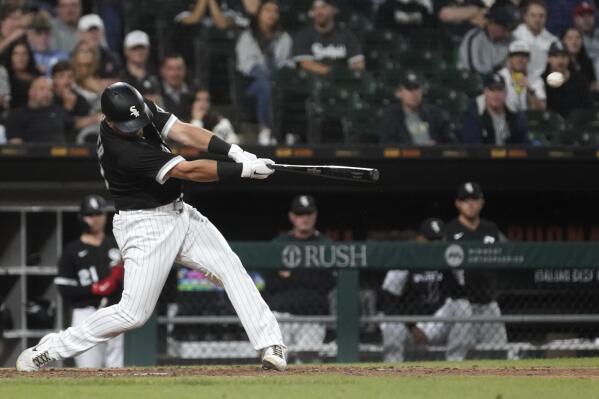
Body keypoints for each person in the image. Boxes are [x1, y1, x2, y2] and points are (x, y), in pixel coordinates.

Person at [16, 81, 287, 372]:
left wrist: (234, 151)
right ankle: (50, 348)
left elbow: (182, 130)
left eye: (139, 120)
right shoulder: (122, 151)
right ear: (108, 119)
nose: (138, 128)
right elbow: (188, 170)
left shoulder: (136, 108)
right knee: (133, 314)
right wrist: (244, 170)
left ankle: (271, 344)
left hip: (180, 213)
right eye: (130, 125)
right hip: (146, 225)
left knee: (231, 269)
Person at [379, 218, 466, 362]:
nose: (436, 244)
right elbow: (388, 299)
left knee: (463, 306)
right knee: (390, 323)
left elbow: (461, 293)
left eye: (439, 240)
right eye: (431, 240)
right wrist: (412, 327)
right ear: (419, 239)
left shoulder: (450, 260)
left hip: (437, 323)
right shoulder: (405, 257)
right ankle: (392, 368)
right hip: (409, 326)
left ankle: (455, 364)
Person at [54, 194, 124, 368]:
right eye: (89, 215)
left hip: (113, 312)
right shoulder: (72, 250)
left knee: (116, 369)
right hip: (85, 314)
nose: (94, 219)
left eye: (98, 214)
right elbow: (64, 288)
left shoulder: (115, 246)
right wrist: (95, 289)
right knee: (88, 369)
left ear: (105, 216)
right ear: (81, 217)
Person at [441, 182, 508, 360]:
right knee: (458, 356)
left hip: (488, 302)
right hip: (461, 304)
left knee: (498, 354)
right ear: (458, 203)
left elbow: (510, 257)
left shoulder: (491, 230)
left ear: (481, 202)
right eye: (465, 199)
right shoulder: (449, 231)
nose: (470, 203)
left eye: (474, 199)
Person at [265, 195, 334, 362]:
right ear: (292, 216)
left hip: (313, 317)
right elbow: (271, 283)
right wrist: (308, 275)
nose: (304, 218)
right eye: (300, 214)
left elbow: (327, 283)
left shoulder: (326, 245)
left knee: (309, 362)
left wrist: (292, 275)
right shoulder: (278, 244)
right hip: (281, 316)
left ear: (315, 215)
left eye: (308, 213)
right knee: (275, 360)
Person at [235, 0, 292, 146]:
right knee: (265, 85)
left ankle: (289, 131)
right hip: (251, 86)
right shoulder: (247, 36)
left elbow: (286, 63)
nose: (272, 14)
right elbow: (246, 66)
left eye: (275, 11)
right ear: (259, 14)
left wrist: (278, 76)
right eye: (267, 10)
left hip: (278, 82)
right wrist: (269, 76)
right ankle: (266, 128)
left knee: (283, 86)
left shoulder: (284, 38)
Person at [292, 0, 365, 76]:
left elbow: (358, 62)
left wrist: (350, 75)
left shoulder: (346, 34)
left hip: (342, 83)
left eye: (323, 7)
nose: (319, 12)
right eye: (315, 8)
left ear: (334, 10)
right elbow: (306, 64)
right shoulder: (304, 35)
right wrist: (335, 74)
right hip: (313, 81)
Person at [378, 72, 454, 144]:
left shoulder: (436, 114)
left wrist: (435, 146)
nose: (414, 93)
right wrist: (416, 147)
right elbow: (388, 144)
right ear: (399, 93)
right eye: (409, 89)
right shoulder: (390, 116)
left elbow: (449, 142)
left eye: (416, 88)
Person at [460, 72, 528, 144]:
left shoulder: (514, 119)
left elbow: (523, 146)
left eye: (499, 89)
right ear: (485, 92)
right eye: (492, 90)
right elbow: (472, 148)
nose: (496, 94)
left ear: (505, 93)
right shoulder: (474, 118)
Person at [458, 3, 520, 75]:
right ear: (493, 23)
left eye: (512, 29)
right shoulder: (474, 38)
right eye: (506, 28)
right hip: (470, 81)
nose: (508, 33)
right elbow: (474, 69)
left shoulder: (512, 41)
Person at [6, 75, 71, 144]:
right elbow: (16, 147)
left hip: (60, 153)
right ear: (31, 92)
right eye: (42, 89)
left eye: (50, 90)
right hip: (32, 153)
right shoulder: (17, 116)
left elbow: (74, 123)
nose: (47, 93)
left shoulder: (58, 111)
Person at [52, 60, 102, 142]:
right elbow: (58, 125)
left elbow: (85, 123)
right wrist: (68, 107)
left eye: (70, 77)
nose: (66, 81)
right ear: (54, 79)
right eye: (61, 76)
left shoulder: (80, 99)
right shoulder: (49, 98)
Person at [541, 41, 592, 117]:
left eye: (564, 56)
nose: (560, 60)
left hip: (576, 125)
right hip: (550, 126)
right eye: (555, 56)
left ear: (569, 58)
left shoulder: (580, 80)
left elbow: (587, 108)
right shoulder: (542, 81)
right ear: (549, 59)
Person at [512, 0, 557, 79]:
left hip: (545, 80)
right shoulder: (514, 37)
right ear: (525, 17)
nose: (537, 19)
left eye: (541, 16)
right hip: (518, 79)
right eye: (533, 15)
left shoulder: (553, 40)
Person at [497, 40, 546, 112]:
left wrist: (530, 91)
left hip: (528, 119)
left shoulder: (536, 79)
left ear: (529, 59)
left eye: (523, 56)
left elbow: (541, 109)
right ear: (509, 58)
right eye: (516, 56)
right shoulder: (500, 77)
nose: (520, 59)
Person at [76, 14, 121, 81]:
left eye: (96, 30)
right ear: (80, 34)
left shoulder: (111, 58)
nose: (94, 34)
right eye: (89, 30)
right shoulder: (74, 58)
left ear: (102, 32)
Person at [27, 10, 68, 77]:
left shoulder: (62, 57)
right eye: (39, 33)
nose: (43, 38)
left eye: (46, 33)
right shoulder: (25, 57)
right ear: (30, 35)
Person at [120, 30, 160, 95]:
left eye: (142, 48)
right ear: (125, 51)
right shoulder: (119, 76)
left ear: (148, 50)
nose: (139, 52)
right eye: (134, 48)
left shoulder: (156, 75)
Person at [4, 38, 41, 109]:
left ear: (29, 56)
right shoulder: (4, 76)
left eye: (24, 53)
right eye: (16, 54)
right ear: (10, 56)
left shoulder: (37, 75)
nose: (20, 58)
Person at [160, 53, 194, 122]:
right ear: (162, 71)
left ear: (185, 70)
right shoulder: (155, 91)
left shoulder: (195, 92)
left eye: (179, 68)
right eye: (170, 69)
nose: (175, 73)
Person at [70, 39, 103, 110]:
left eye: (89, 51)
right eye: (82, 51)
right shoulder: (70, 78)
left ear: (94, 55)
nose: (85, 53)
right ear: (75, 55)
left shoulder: (98, 79)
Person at [562, 26, 598, 91]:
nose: (574, 41)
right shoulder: (559, 63)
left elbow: (593, 84)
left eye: (578, 38)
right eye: (570, 38)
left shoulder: (587, 62)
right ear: (563, 41)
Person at [572, 1, 599, 79]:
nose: (587, 19)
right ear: (575, 19)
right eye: (582, 16)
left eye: (590, 15)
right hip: (583, 77)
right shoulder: (571, 37)